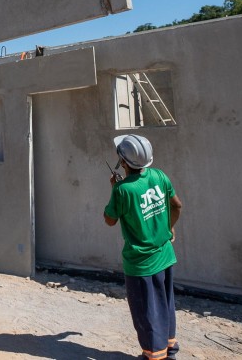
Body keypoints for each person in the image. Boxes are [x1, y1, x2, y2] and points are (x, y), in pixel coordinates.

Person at [103, 134, 183, 360]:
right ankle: (169, 351)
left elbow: (109, 219)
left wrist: (114, 189)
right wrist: (169, 228)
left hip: (141, 264)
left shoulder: (122, 190)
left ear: (124, 163)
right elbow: (177, 206)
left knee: (146, 313)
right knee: (165, 304)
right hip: (165, 255)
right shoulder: (159, 175)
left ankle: (154, 356)